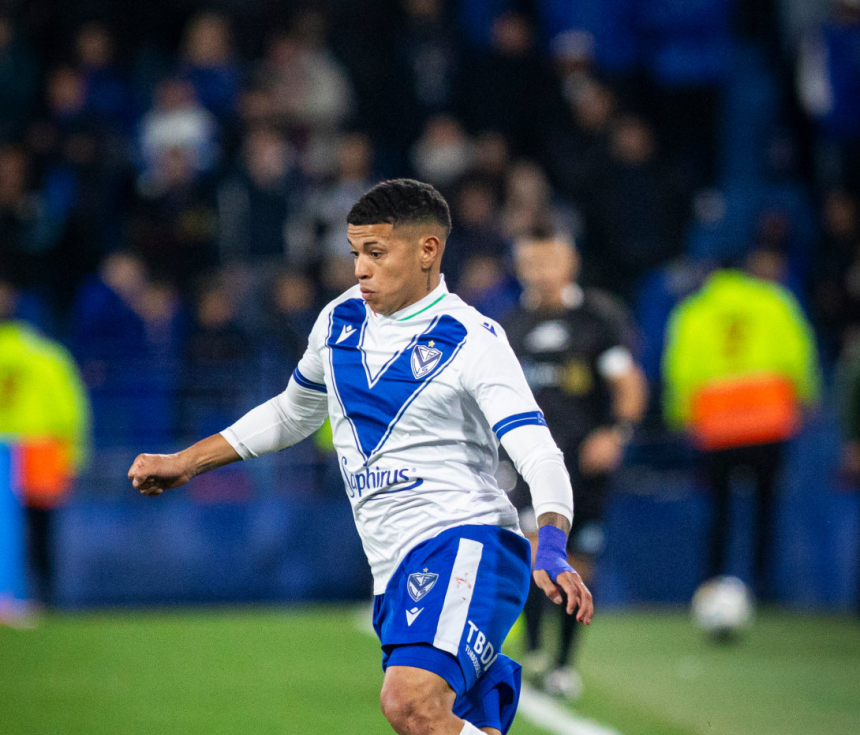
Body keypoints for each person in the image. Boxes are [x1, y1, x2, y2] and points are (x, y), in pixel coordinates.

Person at [129, 179, 592, 735]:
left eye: (376, 253)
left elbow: (538, 450)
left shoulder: (474, 339)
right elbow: (293, 413)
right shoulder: (339, 319)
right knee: (437, 720)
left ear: (428, 250)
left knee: (409, 703)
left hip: (464, 543)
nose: (360, 270)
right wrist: (186, 461)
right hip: (392, 566)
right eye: (355, 253)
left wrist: (553, 545)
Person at [502, 230, 646, 698]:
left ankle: (563, 663)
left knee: (578, 561)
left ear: (571, 263)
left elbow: (627, 383)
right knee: (531, 549)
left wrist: (616, 433)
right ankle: (534, 648)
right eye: (531, 263)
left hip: (583, 465)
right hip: (525, 462)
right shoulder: (509, 325)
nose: (541, 272)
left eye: (550, 261)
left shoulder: (598, 318)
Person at [662, 260, 820, 599]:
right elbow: (798, 356)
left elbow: (680, 371)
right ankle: (763, 587)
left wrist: (680, 418)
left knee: (718, 511)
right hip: (768, 423)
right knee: (766, 509)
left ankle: (712, 583)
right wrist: (806, 400)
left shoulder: (693, 310)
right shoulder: (774, 301)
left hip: (716, 426)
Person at [0, 277, 91, 609]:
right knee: (40, 530)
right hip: (40, 449)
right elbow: (71, 411)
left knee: (12, 530)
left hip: (13, 449)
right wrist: (74, 458)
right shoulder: (48, 354)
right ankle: (43, 597)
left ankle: (18, 595)